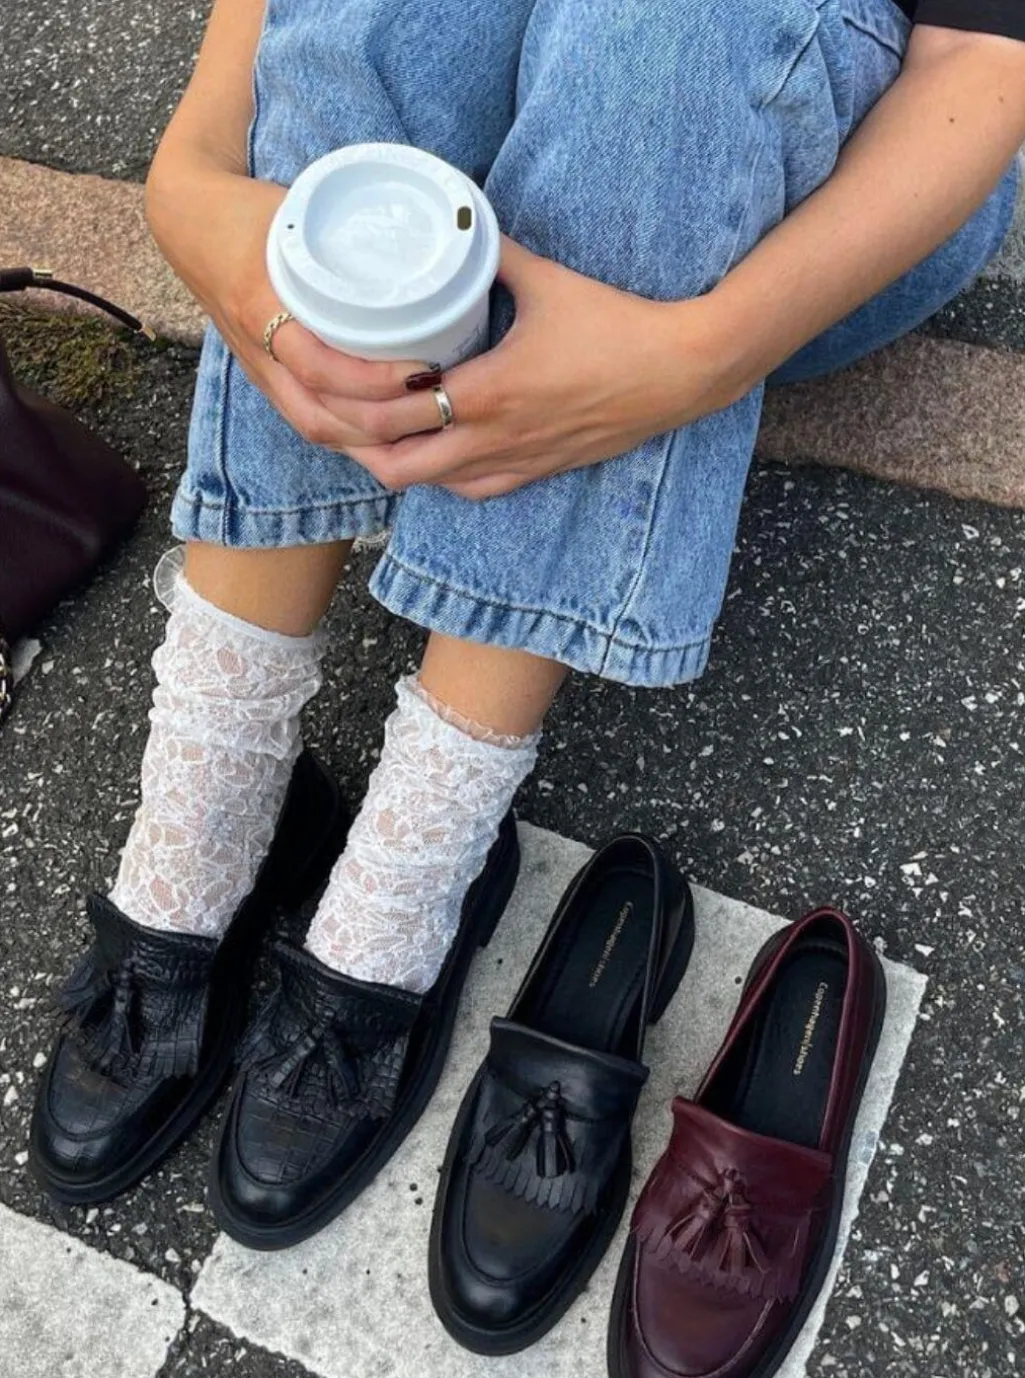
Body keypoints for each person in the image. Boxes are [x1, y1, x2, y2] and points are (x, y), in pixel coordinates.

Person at [30, 0, 1025, 1231]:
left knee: (659, 32)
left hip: (811, 168)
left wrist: (697, 360)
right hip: (539, 83)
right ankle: (210, 806)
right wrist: (192, 178)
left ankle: (414, 868)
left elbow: (979, 58)